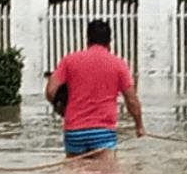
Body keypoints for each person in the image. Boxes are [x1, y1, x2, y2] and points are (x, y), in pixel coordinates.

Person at [44, 19, 144, 157]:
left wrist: (61, 108)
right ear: (109, 41)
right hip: (103, 132)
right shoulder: (118, 64)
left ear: (88, 39)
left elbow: (50, 91)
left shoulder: (69, 61)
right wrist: (139, 126)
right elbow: (131, 100)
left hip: (74, 132)